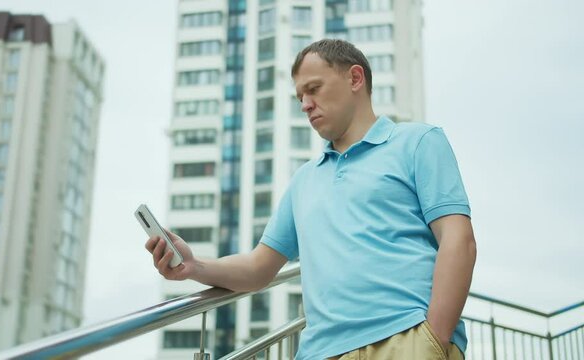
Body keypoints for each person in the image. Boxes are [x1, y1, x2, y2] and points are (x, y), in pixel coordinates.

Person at [146, 39, 477, 360]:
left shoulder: (418, 142)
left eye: (314, 89)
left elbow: (458, 239)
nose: (305, 104)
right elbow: (259, 268)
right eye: (300, 97)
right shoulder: (304, 179)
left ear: (355, 78)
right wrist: (194, 266)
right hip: (321, 351)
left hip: (406, 339)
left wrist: (434, 338)